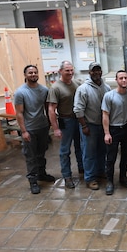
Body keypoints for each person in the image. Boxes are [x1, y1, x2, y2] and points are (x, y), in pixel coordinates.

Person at [14, 65, 55, 194]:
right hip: (29, 129)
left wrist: (49, 124)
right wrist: (24, 131)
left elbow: (47, 108)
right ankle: (33, 181)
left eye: (35, 72)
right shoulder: (20, 92)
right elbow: (19, 113)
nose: (33, 74)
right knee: (30, 156)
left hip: (42, 127)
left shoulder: (43, 90)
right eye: (30, 73)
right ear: (25, 75)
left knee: (41, 153)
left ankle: (41, 174)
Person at [74, 63, 111, 190]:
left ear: (101, 72)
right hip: (89, 126)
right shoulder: (83, 89)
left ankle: (100, 171)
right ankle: (90, 178)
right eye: (93, 71)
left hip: (103, 126)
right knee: (89, 153)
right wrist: (84, 126)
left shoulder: (106, 87)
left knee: (102, 151)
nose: (96, 73)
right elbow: (78, 109)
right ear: (89, 73)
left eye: (98, 70)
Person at [47, 60, 83, 189]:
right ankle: (67, 176)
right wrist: (55, 128)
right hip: (65, 121)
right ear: (60, 71)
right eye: (67, 70)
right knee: (65, 150)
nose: (70, 72)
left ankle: (82, 170)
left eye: (71, 70)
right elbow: (51, 109)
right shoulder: (56, 87)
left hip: (78, 120)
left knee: (80, 147)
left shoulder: (77, 83)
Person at [102, 70, 127, 195]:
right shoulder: (109, 96)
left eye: (125, 78)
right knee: (111, 158)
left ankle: (123, 177)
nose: (124, 80)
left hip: (126, 128)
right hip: (113, 129)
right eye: (121, 78)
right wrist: (107, 133)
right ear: (116, 80)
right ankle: (110, 181)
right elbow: (105, 115)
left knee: (126, 155)